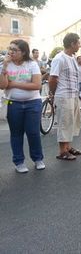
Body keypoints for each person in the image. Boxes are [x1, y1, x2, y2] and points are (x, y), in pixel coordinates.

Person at [0, 40, 45, 173]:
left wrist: (13, 84)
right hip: (12, 102)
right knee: (16, 134)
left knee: (33, 132)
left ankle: (38, 158)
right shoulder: (6, 65)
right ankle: (19, 161)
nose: (11, 52)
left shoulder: (32, 64)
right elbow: (3, 85)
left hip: (33, 102)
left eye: (14, 50)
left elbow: (37, 85)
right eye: (10, 49)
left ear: (23, 52)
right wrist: (4, 69)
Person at [49, 33, 81, 160]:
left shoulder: (73, 57)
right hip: (63, 96)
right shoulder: (59, 58)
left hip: (73, 95)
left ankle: (68, 147)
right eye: (78, 43)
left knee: (72, 122)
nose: (79, 45)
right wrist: (52, 94)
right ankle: (62, 151)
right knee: (65, 122)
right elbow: (53, 78)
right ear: (72, 44)